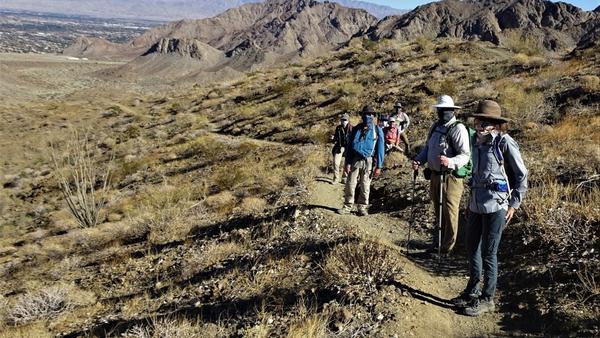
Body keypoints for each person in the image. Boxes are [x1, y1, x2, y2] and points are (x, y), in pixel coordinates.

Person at [452, 100, 528, 316]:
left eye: (483, 121)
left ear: (495, 123)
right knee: (471, 246)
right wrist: (469, 202)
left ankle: (487, 299)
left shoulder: (505, 142)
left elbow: (521, 176)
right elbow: (475, 175)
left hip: (498, 204)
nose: (478, 124)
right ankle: (472, 290)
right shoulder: (476, 141)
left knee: (489, 252)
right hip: (477, 202)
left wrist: (514, 204)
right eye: (477, 120)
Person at [412, 95, 470, 254]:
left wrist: (450, 161)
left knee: (450, 211)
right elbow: (428, 148)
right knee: (438, 210)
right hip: (435, 175)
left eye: (444, 110)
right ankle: (437, 243)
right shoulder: (435, 126)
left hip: (450, 177)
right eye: (440, 110)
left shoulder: (458, 129)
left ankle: (447, 248)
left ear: (452, 111)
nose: (441, 112)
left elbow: (465, 155)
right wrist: (419, 160)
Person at [337, 105, 385, 216]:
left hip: (369, 161)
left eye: (370, 114)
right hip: (355, 159)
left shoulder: (377, 131)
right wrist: (347, 163)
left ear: (373, 116)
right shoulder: (356, 129)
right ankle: (347, 206)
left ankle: (362, 207)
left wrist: (379, 166)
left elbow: (380, 149)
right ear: (362, 115)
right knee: (350, 183)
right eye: (366, 114)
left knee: (365, 185)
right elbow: (349, 148)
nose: (368, 116)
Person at [331, 113, 353, 184]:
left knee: (347, 163)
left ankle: (344, 177)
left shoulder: (351, 128)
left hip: (348, 147)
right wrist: (333, 138)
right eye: (342, 120)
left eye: (345, 120)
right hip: (339, 146)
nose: (343, 121)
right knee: (336, 162)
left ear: (348, 121)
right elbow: (336, 138)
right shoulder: (338, 128)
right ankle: (336, 178)